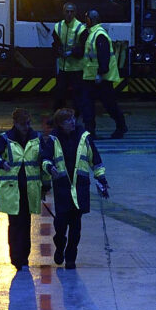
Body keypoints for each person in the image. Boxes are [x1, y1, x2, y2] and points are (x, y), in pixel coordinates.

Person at [42, 107, 108, 268]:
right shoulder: (53, 139)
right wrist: (50, 168)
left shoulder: (84, 137)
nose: (72, 122)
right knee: (60, 224)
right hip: (63, 188)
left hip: (80, 187)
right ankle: (59, 245)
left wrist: (102, 180)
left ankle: (71, 257)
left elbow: (96, 160)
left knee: (76, 226)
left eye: (73, 119)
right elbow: (45, 159)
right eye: (67, 120)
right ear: (60, 124)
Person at [0, 107, 44, 268]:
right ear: (15, 123)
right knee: (14, 225)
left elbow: (43, 159)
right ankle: (15, 257)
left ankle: (24, 258)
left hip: (29, 190)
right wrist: (1, 163)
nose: (26, 127)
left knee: (26, 224)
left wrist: (45, 185)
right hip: (12, 190)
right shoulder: (5, 139)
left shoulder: (37, 139)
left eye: (28, 123)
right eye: (22, 124)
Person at [77, 8, 127, 138]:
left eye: (86, 19)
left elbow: (103, 56)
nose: (84, 21)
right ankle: (90, 131)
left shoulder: (99, 34)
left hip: (101, 78)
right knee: (87, 105)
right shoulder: (92, 33)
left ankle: (121, 127)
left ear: (90, 20)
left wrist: (100, 73)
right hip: (92, 77)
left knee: (109, 105)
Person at [52, 2, 87, 107]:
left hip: (76, 69)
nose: (69, 14)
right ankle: (58, 116)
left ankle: (75, 119)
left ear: (75, 13)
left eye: (72, 12)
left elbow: (84, 48)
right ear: (63, 12)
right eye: (67, 11)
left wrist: (72, 52)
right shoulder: (58, 26)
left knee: (77, 96)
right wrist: (59, 51)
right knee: (59, 95)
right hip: (63, 68)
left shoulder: (81, 28)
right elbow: (55, 44)